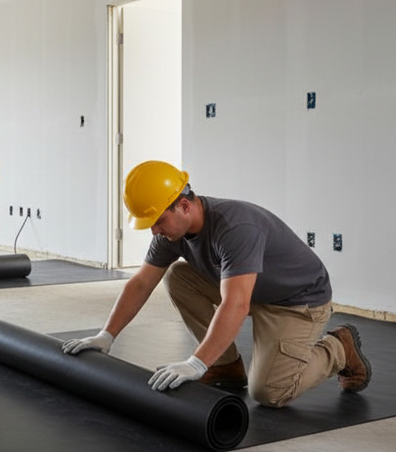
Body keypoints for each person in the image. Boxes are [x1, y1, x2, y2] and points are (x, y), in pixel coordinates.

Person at [62, 160, 371, 408]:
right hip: (252, 289)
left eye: (158, 221)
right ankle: (225, 365)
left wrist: (196, 363)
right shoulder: (171, 233)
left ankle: (339, 348)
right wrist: (106, 335)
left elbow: (236, 304)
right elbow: (141, 283)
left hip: (296, 301)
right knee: (178, 276)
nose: (154, 231)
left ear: (184, 206)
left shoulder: (235, 227)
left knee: (270, 393)